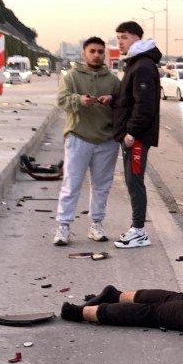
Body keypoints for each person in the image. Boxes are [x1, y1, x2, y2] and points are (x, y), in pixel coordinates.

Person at [53, 37, 121, 246]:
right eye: (92, 51)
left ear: (105, 55)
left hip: (107, 141)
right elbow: (62, 101)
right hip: (78, 138)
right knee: (71, 184)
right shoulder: (71, 77)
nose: (97, 55)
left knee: (101, 186)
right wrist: (79, 100)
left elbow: (124, 105)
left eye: (101, 52)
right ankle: (63, 227)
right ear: (84, 53)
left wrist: (112, 99)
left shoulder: (113, 81)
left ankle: (96, 224)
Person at [110, 21, 161, 249]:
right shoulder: (135, 64)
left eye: (123, 37)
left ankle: (139, 231)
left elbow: (145, 106)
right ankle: (137, 229)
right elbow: (129, 99)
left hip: (136, 138)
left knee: (135, 182)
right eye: (118, 37)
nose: (119, 42)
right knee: (132, 181)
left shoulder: (142, 66)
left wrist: (132, 132)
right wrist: (111, 100)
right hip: (131, 135)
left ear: (136, 38)